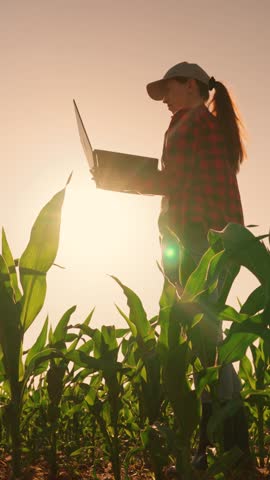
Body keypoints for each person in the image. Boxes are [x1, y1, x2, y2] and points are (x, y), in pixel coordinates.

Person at [93, 61, 250, 469]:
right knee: (210, 338)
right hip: (215, 238)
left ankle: (229, 446)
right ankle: (227, 445)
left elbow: (171, 180)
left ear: (191, 86)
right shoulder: (206, 123)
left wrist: (110, 173)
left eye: (168, 89)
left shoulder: (189, 124)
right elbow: (179, 178)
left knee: (207, 341)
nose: (163, 99)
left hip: (198, 238)